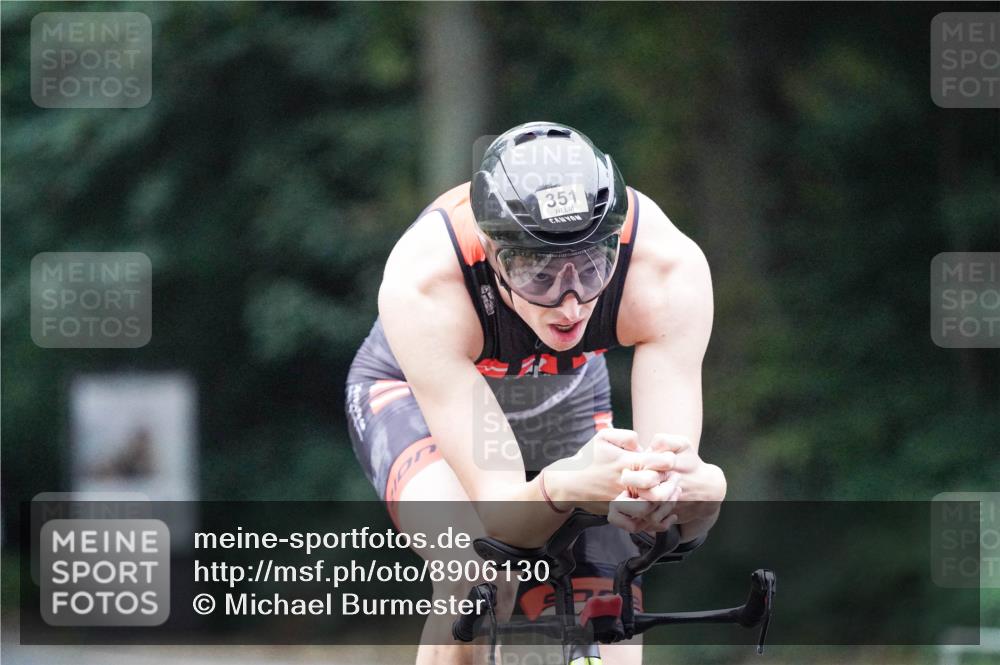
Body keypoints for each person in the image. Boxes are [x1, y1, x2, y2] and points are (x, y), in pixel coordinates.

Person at [345, 122, 726, 665]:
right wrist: (565, 486)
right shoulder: (426, 283)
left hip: (562, 391)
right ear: (493, 256)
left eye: (592, 269)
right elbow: (499, 517)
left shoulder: (666, 269)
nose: (570, 304)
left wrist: (688, 495)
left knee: (616, 582)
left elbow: (663, 488)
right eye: (538, 275)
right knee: (476, 570)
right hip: (411, 393)